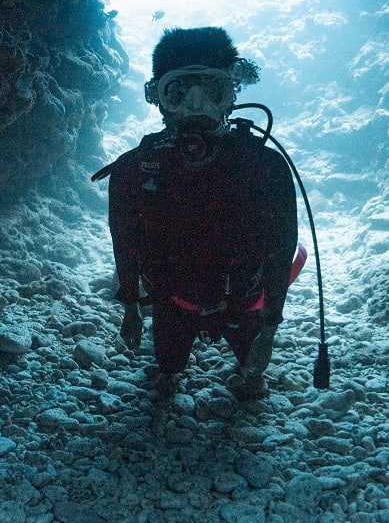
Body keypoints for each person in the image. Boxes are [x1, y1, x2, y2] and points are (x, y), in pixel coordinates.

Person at [98, 27, 299, 397]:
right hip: (173, 300)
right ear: (157, 97)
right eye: (179, 92)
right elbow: (123, 240)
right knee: (168, 367)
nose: (195, 105)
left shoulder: (264, 167)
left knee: (250, 373)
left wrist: (269, 327)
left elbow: (283, 247)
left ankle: (246, 341)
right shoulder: (135, 169)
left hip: (242, 299)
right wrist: (130, 307)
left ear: (231, 96)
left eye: (212, 90)